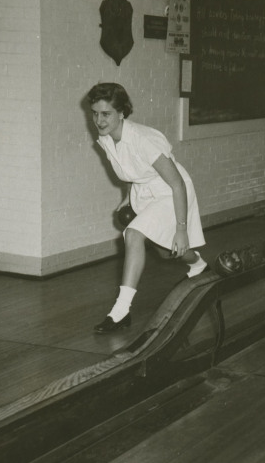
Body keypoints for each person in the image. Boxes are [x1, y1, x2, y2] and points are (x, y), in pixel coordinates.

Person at [87, 82, 208, 333]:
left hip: (170, 192)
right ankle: (198, 265)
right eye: (95, 113)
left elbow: (176, 183)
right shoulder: (107, 138)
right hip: (145, 193)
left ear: (121, 113)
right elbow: (130, 171)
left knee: (134, 234)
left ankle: (121, 312)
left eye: (106, 114)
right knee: (166, 251)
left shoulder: (144, 139)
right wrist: (128, 197)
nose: (99, 120)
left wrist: (182, 228)